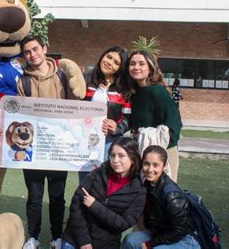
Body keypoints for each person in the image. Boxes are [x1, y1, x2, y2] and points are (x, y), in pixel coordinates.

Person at [18, 36, 82, 249]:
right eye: (27, 52)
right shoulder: (22, 81)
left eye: (35, 49)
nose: (32, 54)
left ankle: (56, 237)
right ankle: (33, 237)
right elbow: (17, 115)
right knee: (34, 198)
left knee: (57, 198)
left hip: (58, 148)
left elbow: (77, 107)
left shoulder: (62, 76)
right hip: (34, 149)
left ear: (45, 48)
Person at [61, 137, 146, 249]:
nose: (115, 160)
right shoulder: (98, 173)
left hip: (106, 243)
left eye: (121, 156)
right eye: (112, 155)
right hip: (76, 237)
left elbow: (123, 223)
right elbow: (76, 205)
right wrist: (84, 241)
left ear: (133, 159)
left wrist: (94, 206)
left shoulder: (139, 190)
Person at [119, 50, 182, 182]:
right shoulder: (135, 94)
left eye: (141, 64)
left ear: (150, 68)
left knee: (161, 197)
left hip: (162, 154)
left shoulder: (158, 92)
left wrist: (156, 155)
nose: (136, 67)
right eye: (132, 64)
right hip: (142, 152)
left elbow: (174, 127)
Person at [122, 145, 200, 249]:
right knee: (130, 240)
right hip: (161, 232)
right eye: (146, 164)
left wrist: (150, 244)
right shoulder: (148, 184)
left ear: (164, 166)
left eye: (156, 165)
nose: (150, 169)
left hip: (185, 239)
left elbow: (180, 230)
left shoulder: (172, 195)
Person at [79, 46, 131, 183]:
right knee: (86, 180)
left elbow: (128, 118)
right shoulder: (86, 80)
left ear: (120, 68)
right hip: (85, 139)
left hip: (110, 141)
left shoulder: (124, 89)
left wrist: (117, 127)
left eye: (116, 62)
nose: (109, 62)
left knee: (106, 180)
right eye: (108, 57)